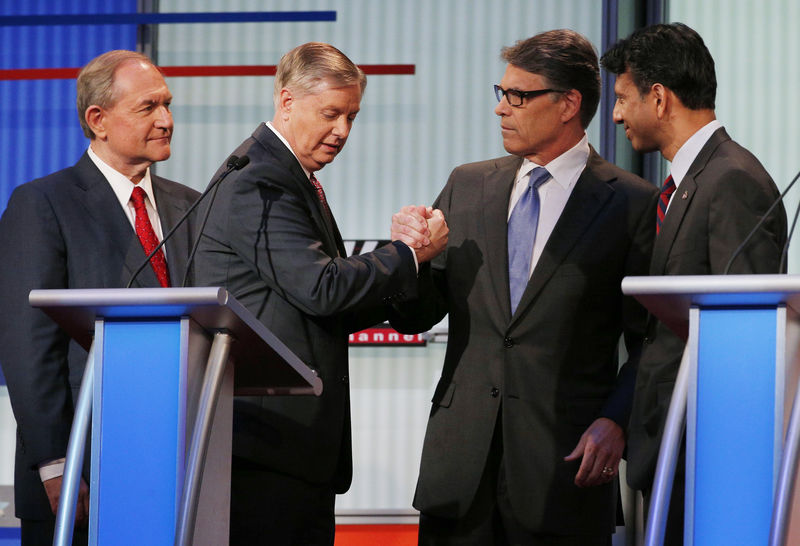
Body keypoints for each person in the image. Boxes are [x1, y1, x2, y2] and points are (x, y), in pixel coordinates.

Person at [389, 30, 658, 545]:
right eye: (502, 93)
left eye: (519, 96)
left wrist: (616, 420)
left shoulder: (630, 203)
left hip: (564, 469)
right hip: (460, 471)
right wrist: (412, 260)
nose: (502, 109)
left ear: (568, 104)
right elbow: (416, 315)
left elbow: (651, 339)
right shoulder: (467, 184)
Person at [192, 42, 447, 545]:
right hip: (264, 446)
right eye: (331, 114)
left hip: (292, 448)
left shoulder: (291, 177)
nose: (343, 132)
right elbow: (321, 287)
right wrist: (408, 254)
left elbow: (316, 304)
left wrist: (406, 278)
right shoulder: (259, 181)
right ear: (287, 101)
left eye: (352, 116)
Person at [0, 50, 199, 545]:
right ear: (98, 120)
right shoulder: (43, 203)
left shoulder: (192, 204)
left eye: (168, 105)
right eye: (149, 107)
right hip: (81, 470)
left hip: (178, 466)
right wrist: (54, 462)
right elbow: (29, 346)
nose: (166, 120)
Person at [601, 22, 787, 543]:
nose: (615, 114)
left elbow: (745, 337)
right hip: (671, 447)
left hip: (707, 457)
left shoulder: (730, 181)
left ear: (658, 98)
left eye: (621, 98)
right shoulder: (690, 182)